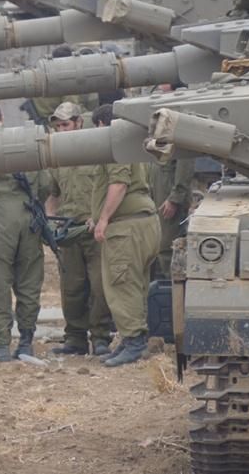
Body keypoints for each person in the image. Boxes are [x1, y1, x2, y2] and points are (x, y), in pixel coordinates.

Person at [0, 99, 52, 363]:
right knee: (29, 282)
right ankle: (26, 342)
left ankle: (2, 345)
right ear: (1, 116)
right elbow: (46, 184)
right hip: (29, 218)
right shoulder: (26, 139)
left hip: (0, 220)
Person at [85, 108, 161, 367]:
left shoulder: (115, 145)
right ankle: (132, 340)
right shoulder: (134, 145)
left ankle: (134, 342)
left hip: (126, 227)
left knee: (122, 283)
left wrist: (104, 218)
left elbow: (119, 184)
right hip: (144, 222)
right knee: (136, 285)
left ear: (102, 124)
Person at [44, 103, 113, 356]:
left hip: (95, 230)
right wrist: (50, 219)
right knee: (71, 288)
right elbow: (53, 194)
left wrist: (102, 218)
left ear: (79, 122)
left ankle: (101, 337)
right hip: (68, 230)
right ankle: (75, 338)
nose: (62, 130)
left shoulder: (96, 152)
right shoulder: (58, 158)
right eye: (58, 126)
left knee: (99, 286)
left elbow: (113, 187)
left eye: (66, 124)